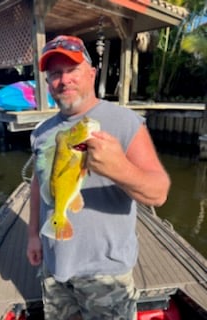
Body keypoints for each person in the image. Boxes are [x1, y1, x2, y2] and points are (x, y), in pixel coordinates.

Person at [27, 35, 171, 320]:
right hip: (55, 266)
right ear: (48, 83)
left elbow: (159, 193)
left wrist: (118, 168)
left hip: (106, 273)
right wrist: (33, 234)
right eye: (55, 73)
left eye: (72, 69)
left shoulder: (126, 121)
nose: (64, 79)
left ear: (91, 74)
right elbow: (39, 183)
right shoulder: (41, 131)